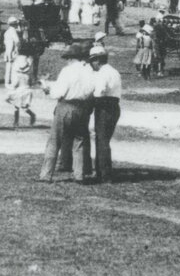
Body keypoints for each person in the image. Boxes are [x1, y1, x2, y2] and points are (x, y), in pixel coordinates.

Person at [39, 43, 97, 182]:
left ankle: (46, 175)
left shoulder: (67, 71)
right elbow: (91, 90)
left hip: (66, 106)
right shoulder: (89, 71)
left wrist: (48, 89)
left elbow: (58, 92)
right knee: (79, 141)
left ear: (71, 58)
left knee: (54, 141)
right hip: (82, 107)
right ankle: (79, 174)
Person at [88, 45, 123, 182]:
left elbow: (100, 91)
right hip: (114, 106)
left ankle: (104, 174)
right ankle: (102, 171)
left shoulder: (103, 73)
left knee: (101, 140)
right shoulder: (114, 71)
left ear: (97, 60)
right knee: (104, 139)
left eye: (92, 61)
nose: (92, 64)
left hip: (104, 106)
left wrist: (91, 100)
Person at [2, 18, 23, 87]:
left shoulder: (7, 32)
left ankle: (7, 82)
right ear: (15, 24)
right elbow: (17, 41)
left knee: (8, 67)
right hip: (13, 51)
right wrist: (18, 48)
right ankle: (13, 82)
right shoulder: (13, 31)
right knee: (14, 67)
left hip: (7, 51)